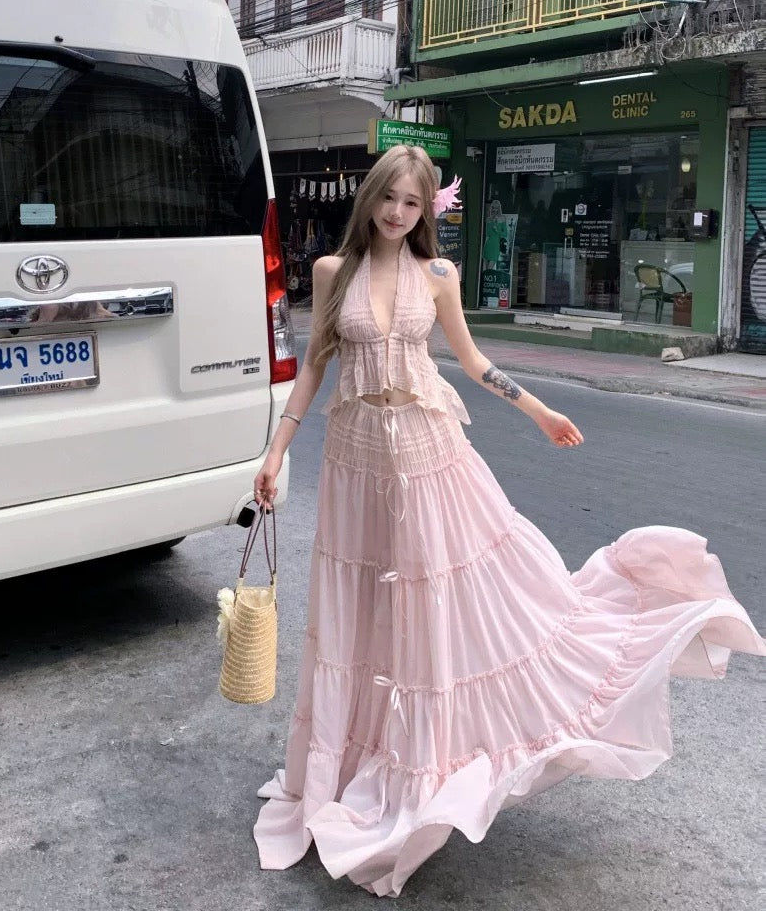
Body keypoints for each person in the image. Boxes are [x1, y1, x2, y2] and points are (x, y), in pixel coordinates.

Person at [251, 145, 764, 897]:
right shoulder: (333, 274)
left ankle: (426, 771)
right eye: (389, 199)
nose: (398, 213)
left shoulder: (439, 276)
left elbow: (472, 360)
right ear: (369, 200)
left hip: (430, 457)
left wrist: (539, 410)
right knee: (356, 616)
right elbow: (315, 376)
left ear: (428, 213)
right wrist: (274, 452)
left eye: (413, 204)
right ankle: (346, 764)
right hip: (357, 464)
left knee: (444, 610)